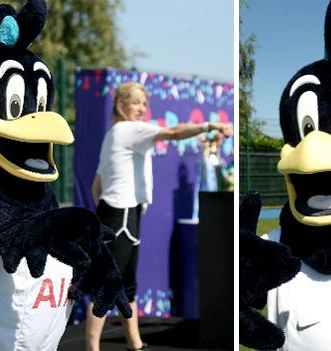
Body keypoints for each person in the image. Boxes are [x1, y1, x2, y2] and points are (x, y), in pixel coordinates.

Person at [85, 82, 233, 351]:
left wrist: (106, 213)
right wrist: (210, 126)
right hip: (121, 214)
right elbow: (174, 133)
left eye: (144, 103)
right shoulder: (128, 129)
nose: (141, 108)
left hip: (120, 212)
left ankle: (135, 343)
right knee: (107, 285)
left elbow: (96, 186)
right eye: (136, 102)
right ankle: (92, 348)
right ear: (121, 105)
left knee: (127, 284)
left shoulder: (114, 134)